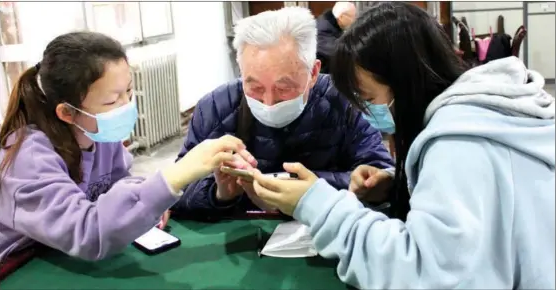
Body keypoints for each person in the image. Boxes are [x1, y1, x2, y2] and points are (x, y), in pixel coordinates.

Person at [250, 2, 555, 289]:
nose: (366, 112)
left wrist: (317, 205)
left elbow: (423, 273)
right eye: (254, 86)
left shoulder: (459, 145)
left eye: (368, 99)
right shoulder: (490, 114)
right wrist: (400, 186)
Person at [0, 31, 250, 261]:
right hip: (19, 265)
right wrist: (177, 175)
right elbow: (87, 233)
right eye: (111, 101)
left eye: (128, 91)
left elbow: (118, 183)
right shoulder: (28, 156)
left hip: (59, 257)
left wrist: (144, 199)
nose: (126, 105)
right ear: (67, 112)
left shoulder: (99, 135)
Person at [171, 7, 394, 219]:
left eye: (284, 88)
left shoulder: (344, 102)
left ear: (313, 72)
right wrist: (219, 194)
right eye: (255, 87)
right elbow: (175, 191)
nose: (269, 102)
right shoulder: (215, 108)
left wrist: (314, 189)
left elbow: (381, 175)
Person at [316, 2, 357, 74]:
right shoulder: (323, 29)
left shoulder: (333, 24)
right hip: (321, 76)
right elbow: (340, 52)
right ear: (341, 17)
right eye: (352, 17)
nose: (354, 20)